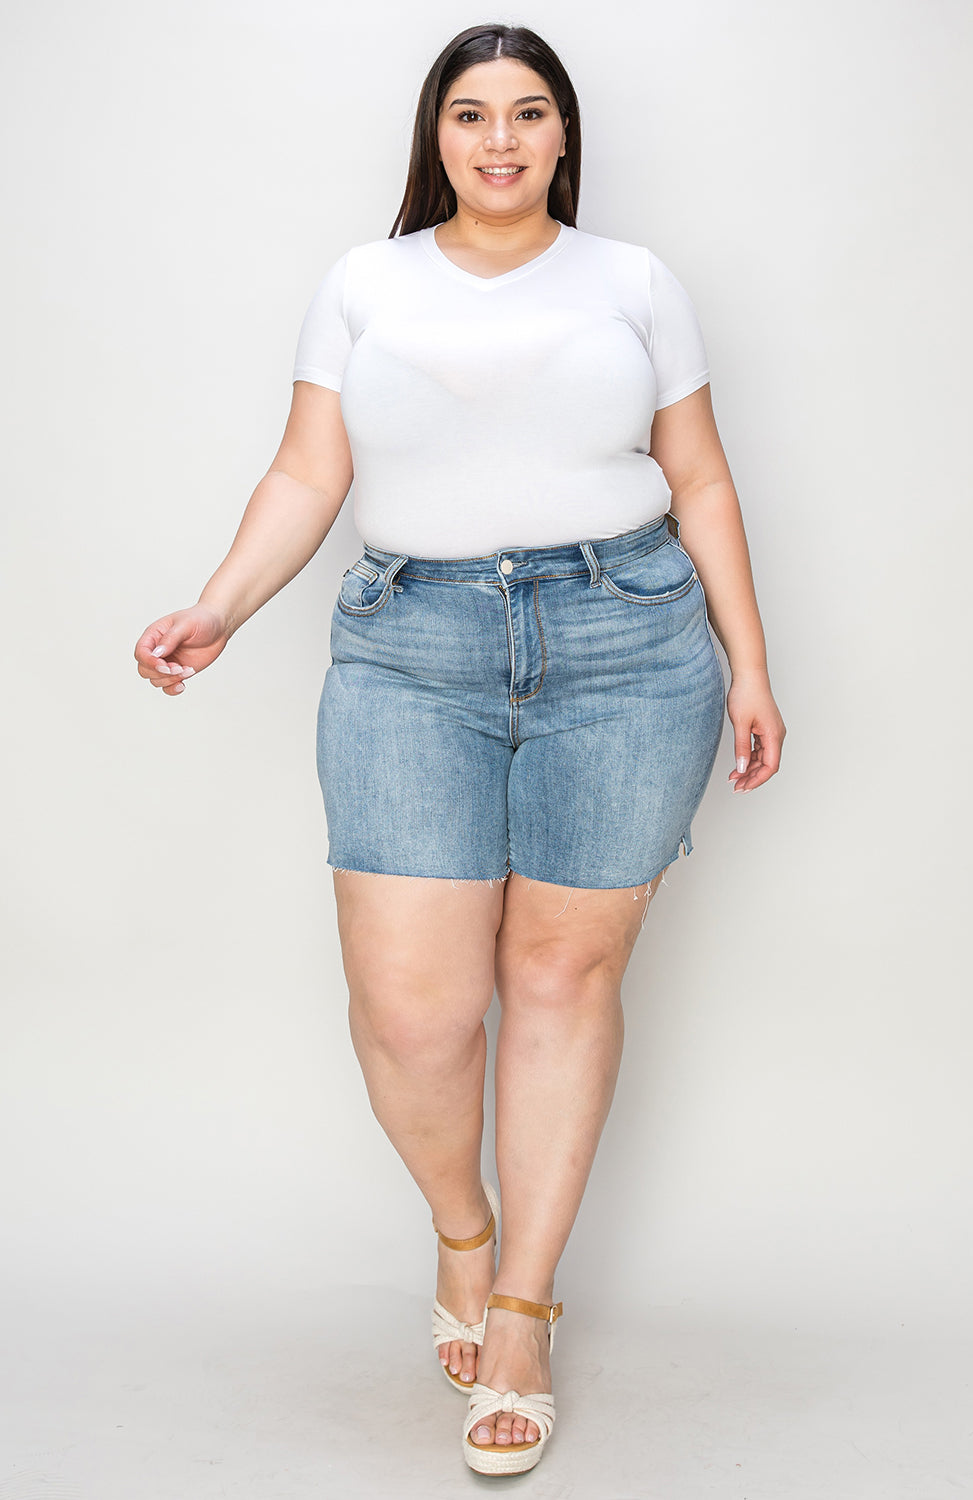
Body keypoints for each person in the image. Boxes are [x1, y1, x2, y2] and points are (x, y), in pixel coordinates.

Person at [134, 22, 785, 1477]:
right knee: (416, 1013)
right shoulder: (365, 285)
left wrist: (751, 665)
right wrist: (222, 605)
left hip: (625, 641)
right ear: (437, 136)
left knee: (559, 974)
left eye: (531, 114)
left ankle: (523, 1314)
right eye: (473, 114)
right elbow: (312, 468)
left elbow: (703, 479)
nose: (501, 140)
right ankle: (463, 1230)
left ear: (564, 136)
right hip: (408, 649)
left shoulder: (634, 283)